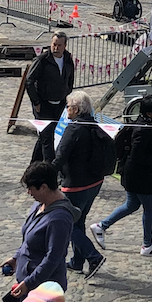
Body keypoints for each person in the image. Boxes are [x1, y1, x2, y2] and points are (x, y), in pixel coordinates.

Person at [91, 92, 152, 259]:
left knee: (131, 205)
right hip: (139, 176)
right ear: (149, 113)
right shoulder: (144, 130)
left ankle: (101, 226)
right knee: (150, 207)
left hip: (133, 175)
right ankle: (147, 245)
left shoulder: (147, 126)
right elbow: (138, 155)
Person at [1, 162, 77, 302]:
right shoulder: (39, 205)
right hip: (28, 285)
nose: (29, 193)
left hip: (44, 290)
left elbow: (53, 258)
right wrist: (16, 258)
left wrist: (29, 283)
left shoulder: (59, 219)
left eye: (31, 188)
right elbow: (28, 237)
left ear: (43, 187)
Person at [54, 93, 114, 279]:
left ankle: (93, 257)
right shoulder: (93, 125)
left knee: (68, 223)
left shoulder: (73, 129)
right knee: (78, 220)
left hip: (76, 185)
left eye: (68, 107)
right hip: (94, 182)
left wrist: (45, 175)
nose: (66, 110)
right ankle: (77, 261)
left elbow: (60, 156)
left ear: (77, 109)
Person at [25, 32, 76, 164]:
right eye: (54, 44)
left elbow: (70, 79)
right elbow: (29, 81)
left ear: (65, 46)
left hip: (59, 104)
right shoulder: (42, 60)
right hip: (43, 104)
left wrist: (67, 96)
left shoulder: (68, 59)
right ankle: (50, 169)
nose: (56, 48)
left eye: (59, 45)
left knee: (45, 135)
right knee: (47, 138)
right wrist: (36, 102)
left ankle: (34, 164)